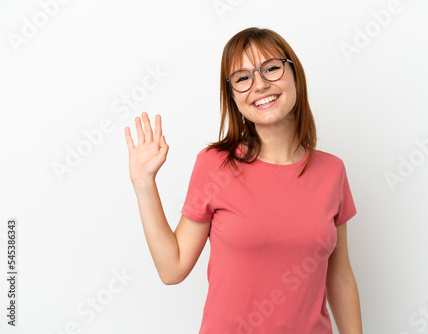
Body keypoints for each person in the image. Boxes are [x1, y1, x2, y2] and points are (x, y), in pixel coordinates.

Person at [124, 27, 362, 334]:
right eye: (242, 78)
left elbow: (340, 277)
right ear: (234, 97)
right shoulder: (215, 166)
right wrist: (144, 183)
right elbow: (173, 268)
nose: (260, 84)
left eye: (272, 68)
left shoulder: (332, 171)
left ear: (295, 75)